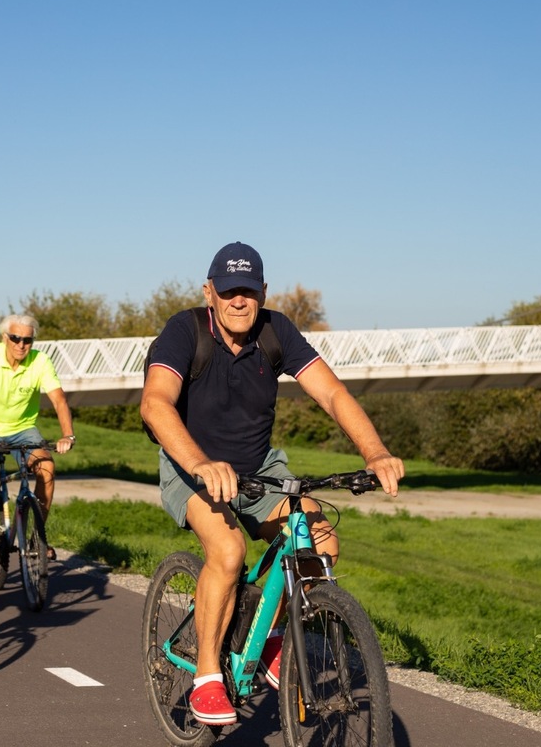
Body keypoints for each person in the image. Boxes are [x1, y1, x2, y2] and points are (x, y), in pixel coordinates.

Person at [139, 242, 406, 726]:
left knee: (318, 539)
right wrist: (201, 463)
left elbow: (331, 392)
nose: (238, 301)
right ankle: (205, 678)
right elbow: (155, 404)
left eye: (248, 291)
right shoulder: (185, 331)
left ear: (263, 291)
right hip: (190, 467)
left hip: (259, 469)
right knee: (227, 551)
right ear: (209, 293)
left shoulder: (275, 330)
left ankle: (273, 639)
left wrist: (375, 452)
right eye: (228, 291)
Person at [0, 314, 75, 560]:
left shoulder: (41, 361)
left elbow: (59, 399)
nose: (21, 345)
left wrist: (68, 435)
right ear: (5, 338)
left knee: (45, 467)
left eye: (27, 340)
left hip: (22, 429)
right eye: (15, 338)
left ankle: (37, 536)